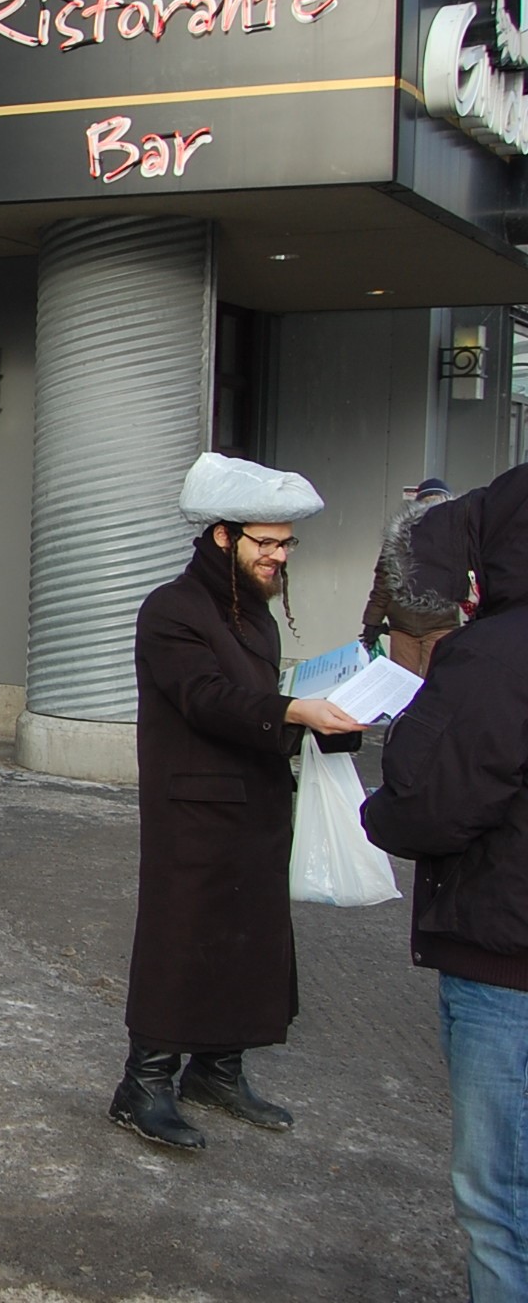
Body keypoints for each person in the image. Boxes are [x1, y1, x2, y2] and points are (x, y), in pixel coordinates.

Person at [109, 452, 366, 1151]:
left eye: (287, 544)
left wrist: (324, 714)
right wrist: (295, 712)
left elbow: (251, 698)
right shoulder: (172, 608)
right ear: (223, 536)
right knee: (181, 937)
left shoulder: (250, 611)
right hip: (192, 808)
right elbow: (206, 699)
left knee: (248, 939)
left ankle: (217, 1071)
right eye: (267, 543)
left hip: (254, 802)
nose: (279, 557)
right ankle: (145, 1083)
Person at [362, 464, 528, 1301]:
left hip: (508, 964)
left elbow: (427, 804)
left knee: (503, 1205)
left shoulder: (498, 656)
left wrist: (380, 813)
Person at [360, 477, 460, 676]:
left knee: (423, 684)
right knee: (413, 685)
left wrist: (372, 622)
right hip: (412, 627)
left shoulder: (454, 539)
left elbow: (382, 585)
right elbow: (382, 583)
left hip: (430, 625)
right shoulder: (399, 538)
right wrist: (371, 622)